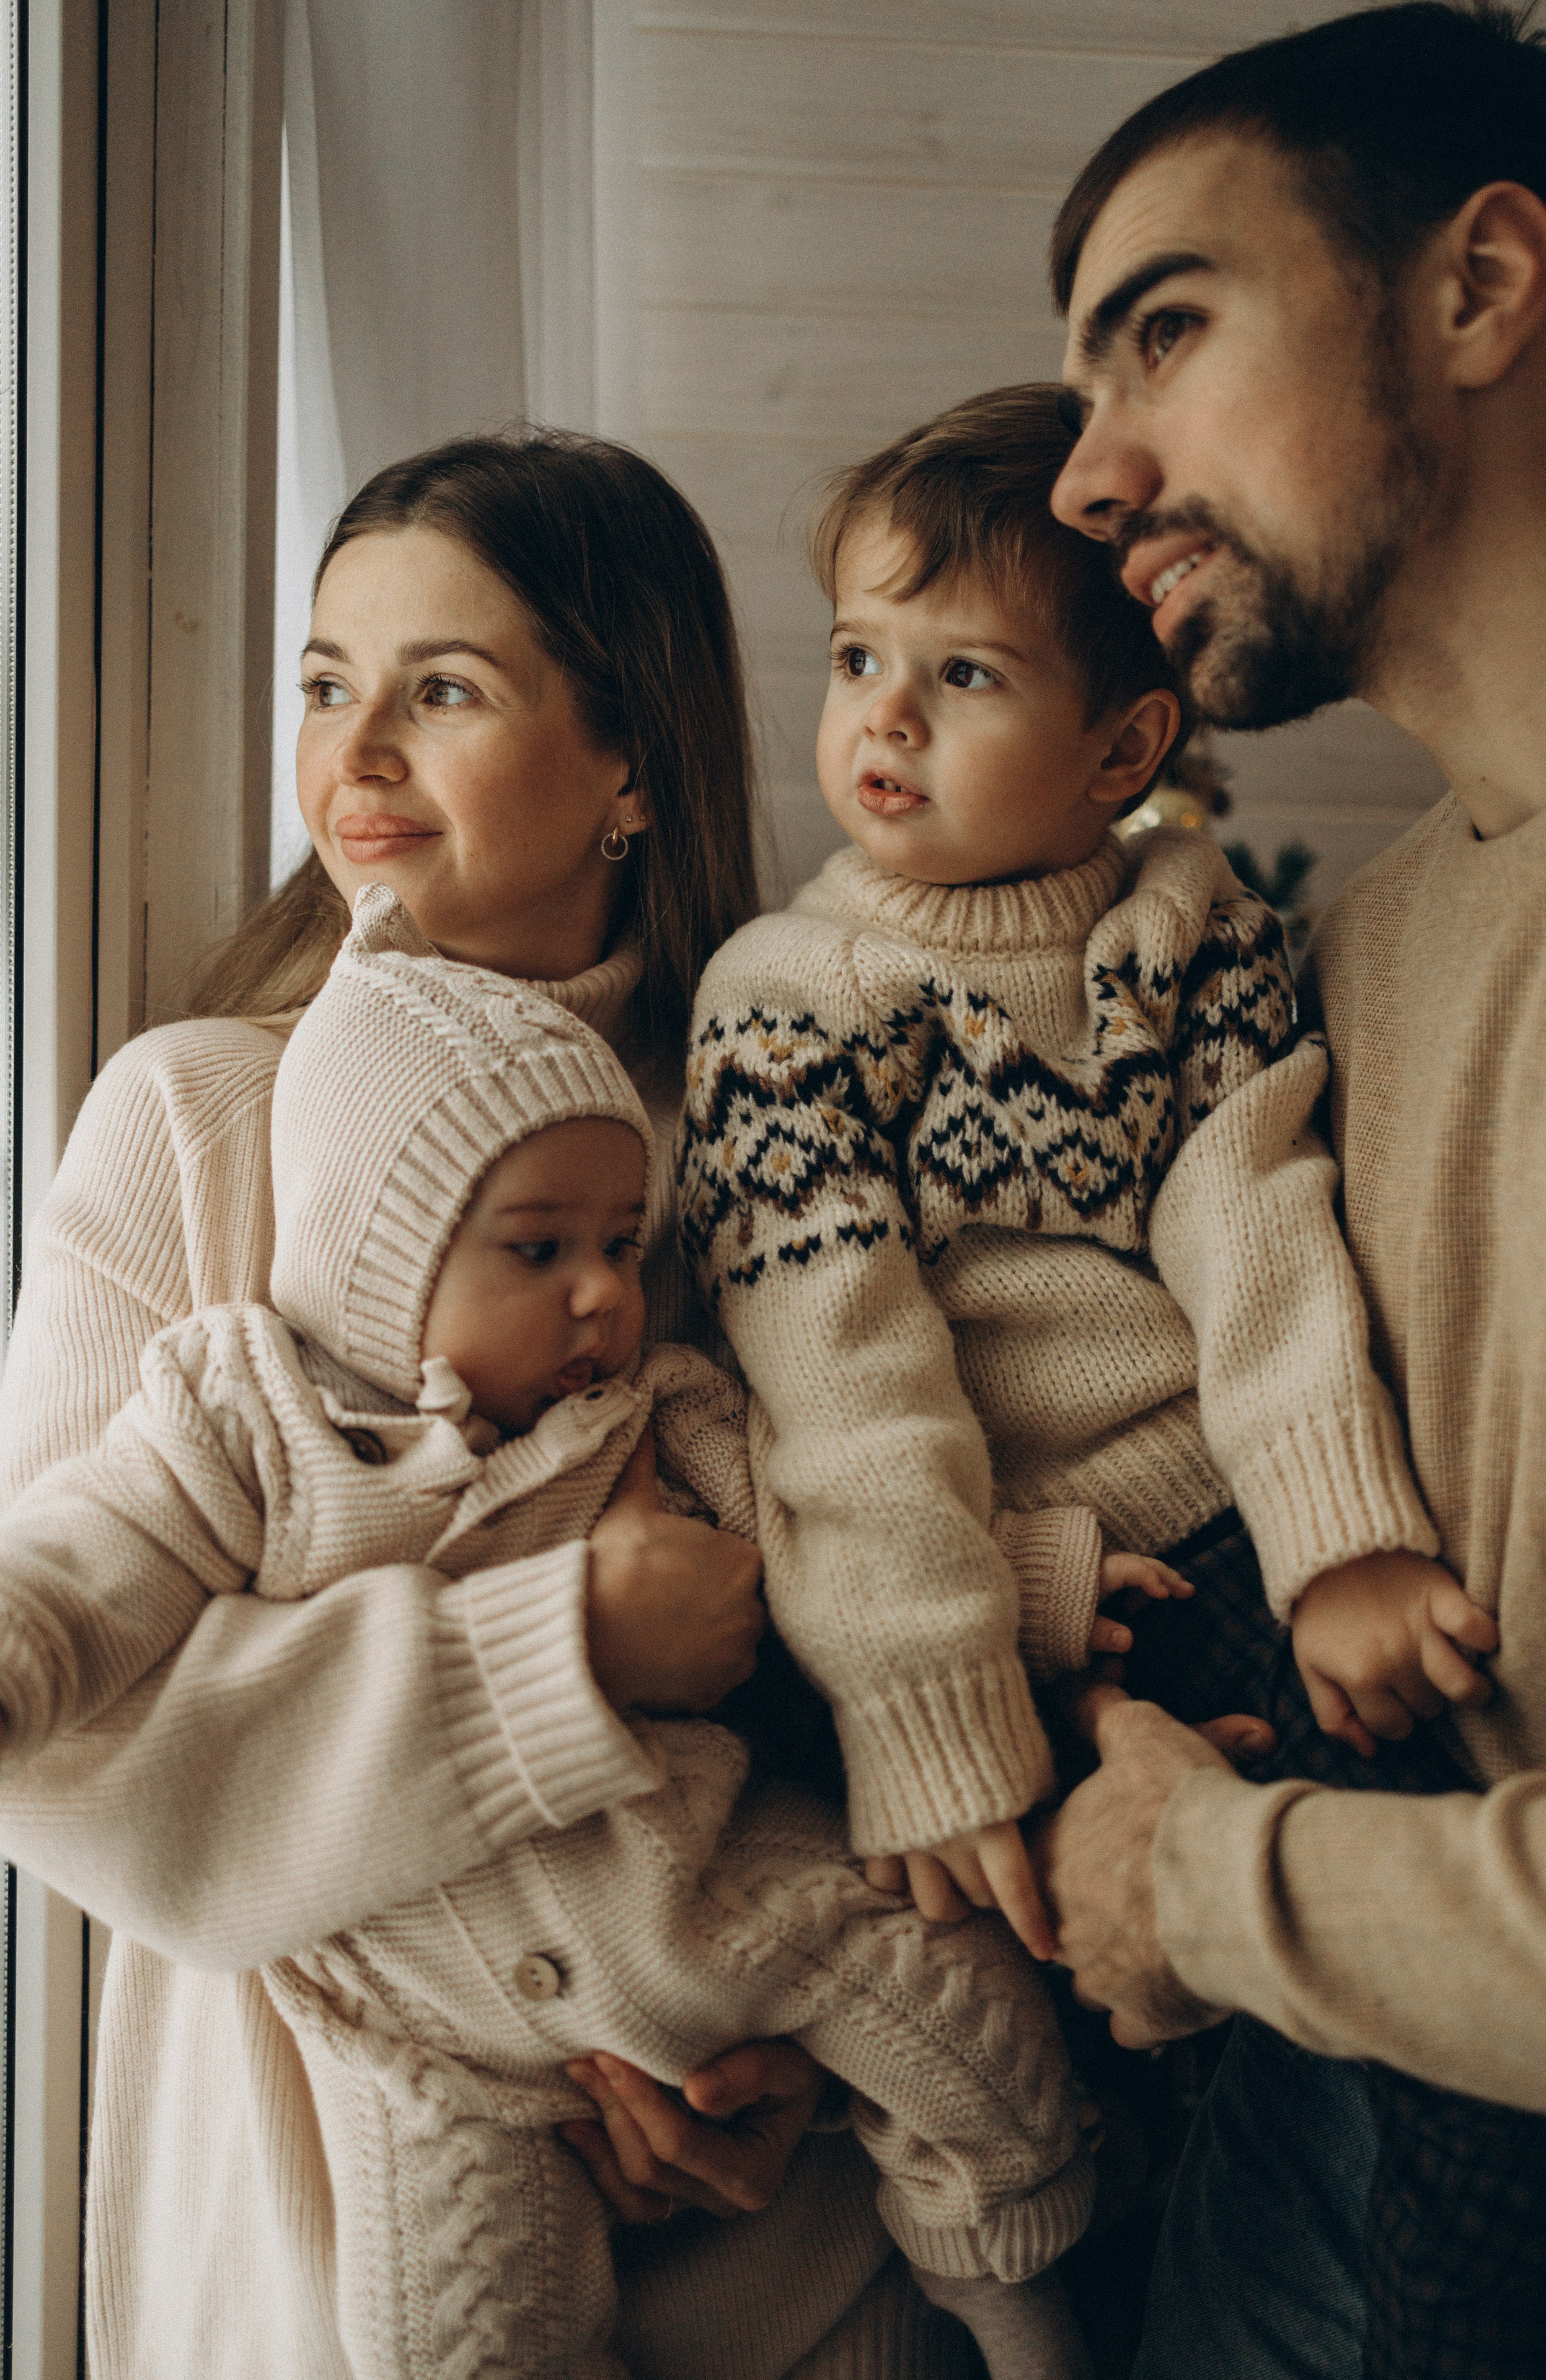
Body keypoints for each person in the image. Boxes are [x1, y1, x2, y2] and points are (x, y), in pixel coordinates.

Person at [0, 429, 971, 2378]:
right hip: (328, 2222)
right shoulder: (193, 1120)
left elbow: (886, 1630)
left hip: (798, 2265)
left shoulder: (796, 1129)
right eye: (326, 686)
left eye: (440, 691)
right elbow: (64, 1746)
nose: (354, 756)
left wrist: (779, 2058)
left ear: (632, 768)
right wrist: (561, 1653)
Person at [0, 880, 1102, 2380]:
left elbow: (823, 1548)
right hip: (420, 2033)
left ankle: (1017, 2315)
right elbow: (87, 1568)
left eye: (622, 1246)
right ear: (385, 1266)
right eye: (537, 1253)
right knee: (449, 2336)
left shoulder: (648, 1405)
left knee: (975, 2033)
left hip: (692, 1892)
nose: (601, 1294)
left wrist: (1038, 1590)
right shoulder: (244, 1417)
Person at [1040, 6, 1546, 2377]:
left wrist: (1209, 1883)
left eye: (1165, 330)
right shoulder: (1341, 961)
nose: (1090, 477)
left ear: (1479, 286)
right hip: (1303, 2126)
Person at [676, 384, 1460, 1968]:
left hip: (1226, 1525)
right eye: (856, 659)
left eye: (961, 674)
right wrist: (930, 1704)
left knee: (1407, 1863)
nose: (885, 718)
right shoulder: (784, 1001)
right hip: (996, 1587)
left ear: (1123, 746)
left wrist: (1339, 1536)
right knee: (1122, 1971)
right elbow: (840, 1380)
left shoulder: (1197, 933)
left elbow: (1255, 1217)